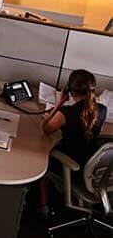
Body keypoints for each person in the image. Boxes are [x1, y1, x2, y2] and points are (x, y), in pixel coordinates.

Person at [38, 69, 108, 217]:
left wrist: (58, 104)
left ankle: (43, 207)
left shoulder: (66, 112)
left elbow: (46, 129)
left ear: (70, 91)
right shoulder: (102, 109)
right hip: (91, 166)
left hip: (73, 167)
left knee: (43, 157)